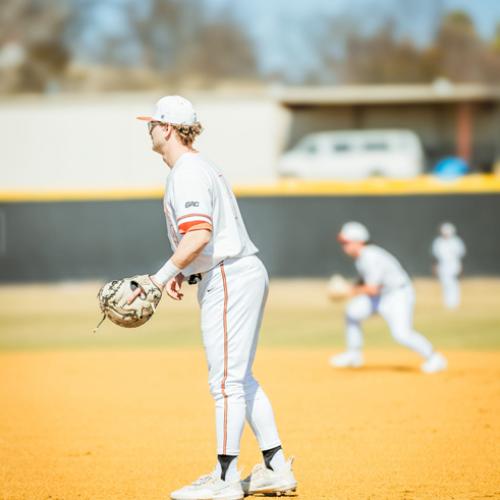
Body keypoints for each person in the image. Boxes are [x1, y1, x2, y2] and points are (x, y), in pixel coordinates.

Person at [130, 96, 296, 500]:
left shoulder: (186, 172)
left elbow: (200, 233)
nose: (148, 129)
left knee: (225, 383)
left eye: (152, 123)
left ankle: (225, 480)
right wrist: (184, 271)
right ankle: (274, 467)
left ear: (167, 129)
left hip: (229, 275)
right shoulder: (200, 166)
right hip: (236, 271)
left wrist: (160, 276)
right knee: (240, 379)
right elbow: (203, 237)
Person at [330, 221, 447, 374]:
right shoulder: (361, 258)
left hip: (398, 295)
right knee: (352, 313)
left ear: (359, 241)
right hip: (382, 295)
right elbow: (366, 283)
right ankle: (354, 355)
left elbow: (372, 289)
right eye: (342, 242)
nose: (343, 246)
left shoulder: (371, 256)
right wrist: (352, 289)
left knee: (402, 334)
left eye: (346, 242)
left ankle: (435, 358)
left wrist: (348, 290)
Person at [432, 222, 466, 309]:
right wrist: (435, 267)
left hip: (454, 265)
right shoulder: (438, 242)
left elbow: (460, 255)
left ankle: (454, 303)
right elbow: (435, 257)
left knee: (454, 284)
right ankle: (447, 303)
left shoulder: (456, 242)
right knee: (445, 283)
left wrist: (460, 267)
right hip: (443, 265)